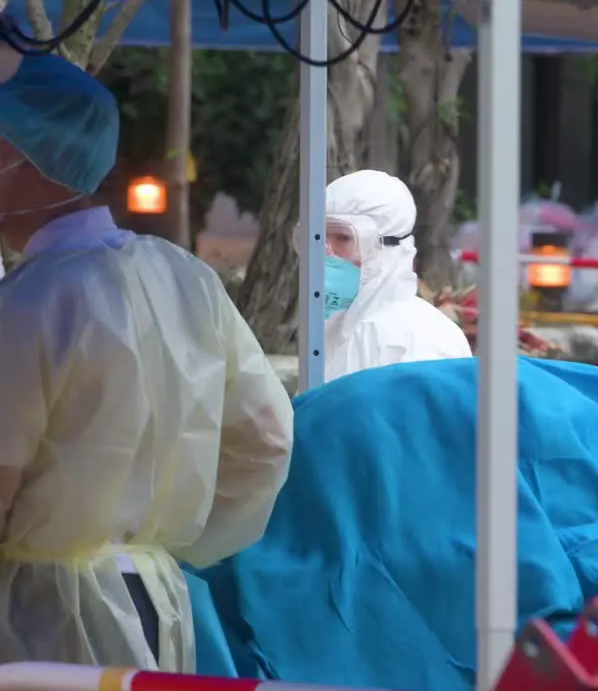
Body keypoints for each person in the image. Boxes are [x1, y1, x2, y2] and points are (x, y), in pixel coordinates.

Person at [0, 45, 294, 670]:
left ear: (26, 158)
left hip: (39, 618)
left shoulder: (30, 304)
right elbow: (267, 438)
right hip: (158, 598)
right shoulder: (188, 278)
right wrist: (174, 540)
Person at [320, 169, 472, 381]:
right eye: (319, 237)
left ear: (388, 247)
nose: (326, 252)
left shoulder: (418, 340)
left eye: (343, 238)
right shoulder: (336, 328)